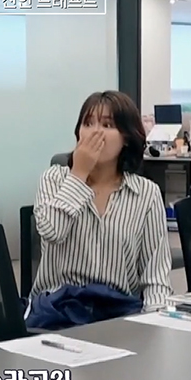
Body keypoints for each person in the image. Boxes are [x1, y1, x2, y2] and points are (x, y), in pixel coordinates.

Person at [31, 91, 172, 326]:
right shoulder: (53, 179)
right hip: (59, 315)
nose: (95, 133)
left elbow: (155, 278)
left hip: (119, 316)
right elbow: (52, 231)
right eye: (88, 123)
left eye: (107, 125)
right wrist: (79, 173)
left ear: (126, 137)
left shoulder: (147, 194)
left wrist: (155, 327)